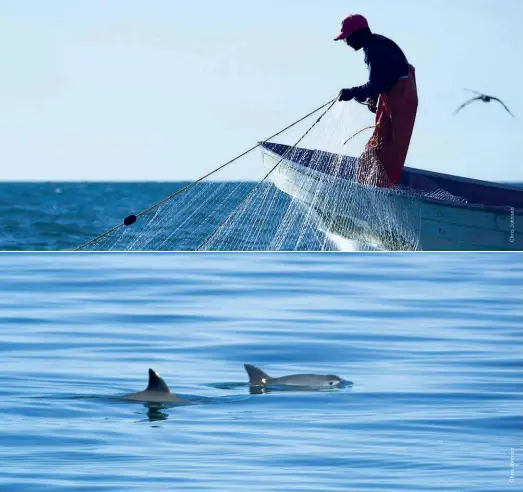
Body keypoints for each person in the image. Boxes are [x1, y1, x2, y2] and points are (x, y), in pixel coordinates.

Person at [334, 14, 418, 188]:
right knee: (376, 149)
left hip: (402, 100)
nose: (347, 43)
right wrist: (372, 97)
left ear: (358, 33)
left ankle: (380, 188)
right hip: (397, 95)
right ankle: (373, 186)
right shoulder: (375, 45)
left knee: (389, 151)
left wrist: (351, 92)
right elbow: (381, 80)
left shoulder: (374, 50)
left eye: (347, 38)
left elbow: (374, 85)